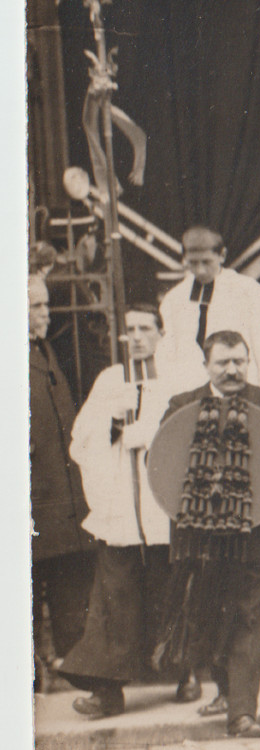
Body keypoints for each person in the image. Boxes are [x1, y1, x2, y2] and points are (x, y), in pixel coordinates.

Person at [58, 303, 198, 717]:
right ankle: (107, 691)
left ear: (160, 332)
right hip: (121, 507)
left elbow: (191, 429)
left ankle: (185, 671)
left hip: (161, 506)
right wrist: (112, 424)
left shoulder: (179, 378)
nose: (136, 337)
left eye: (144, 328)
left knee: (169, 589)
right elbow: (80, 440)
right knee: (114, 596)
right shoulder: (110, 380)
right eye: (130, 330)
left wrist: (152, 433)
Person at [155, 330, 260, 738]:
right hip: (198, 535)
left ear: (248, 360)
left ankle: (242, 713)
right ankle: (227, 692)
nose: (231, 369)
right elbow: (165, 466)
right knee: (209, 614)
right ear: (206, 364)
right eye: (223, 362)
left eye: (239, 361)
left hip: (252, 532)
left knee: (246, 616)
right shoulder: (182, 407)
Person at [29, 274, 95, 692]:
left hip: (63, 500)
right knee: (28, 591)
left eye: (45, 305)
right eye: (36, 307)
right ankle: (32, 672)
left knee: (70, 585)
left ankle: (74, 665)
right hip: (35, 501)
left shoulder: (44, 349)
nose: (46, 313)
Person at [158, 227, 260, 392]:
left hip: (240, 386)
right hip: (190, 391)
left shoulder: (249, 291)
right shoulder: (174, 299)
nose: (200, 270)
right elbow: (166, 355)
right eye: (193, 263)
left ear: (222, 255)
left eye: (206, 262)